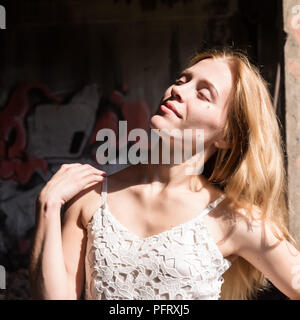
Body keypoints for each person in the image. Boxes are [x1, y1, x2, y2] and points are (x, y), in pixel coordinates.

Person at [29, 47, 300, 300]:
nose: (177, 91)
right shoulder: (91, 195)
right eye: (182, 80)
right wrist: (49, 206)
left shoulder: (234, 218)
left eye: (203, 93)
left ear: (227, 136)